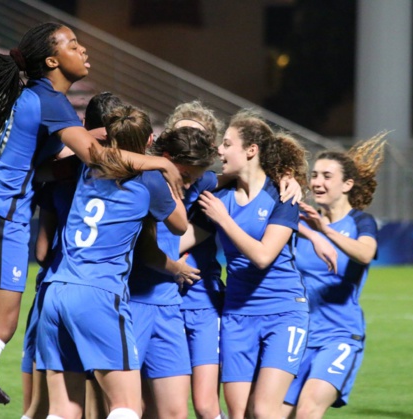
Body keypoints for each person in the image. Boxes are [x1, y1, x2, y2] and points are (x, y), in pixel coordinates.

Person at [0, 22, 183, 419]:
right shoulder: (51, 101)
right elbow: (97, 158)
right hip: (0, 211)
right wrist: (157, 160)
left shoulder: (40, 98)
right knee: (1, 326)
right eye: (73, 44)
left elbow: (48, 164)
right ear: (52, 60)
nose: (83, 49)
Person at [36, 105, 188, 419]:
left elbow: (48, 167)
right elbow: (180, 225)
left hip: (56, 290)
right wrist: (165, 169)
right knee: (127, 406)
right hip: (98, 294)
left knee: (63, 409)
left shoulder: (85, 165)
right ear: (149, 140)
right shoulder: (149, 179)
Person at [194, 109, 310, 419]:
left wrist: (224, 220)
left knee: (263, 410)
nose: (219, 150)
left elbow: (262, 256)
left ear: (251, 150)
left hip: (284, 313)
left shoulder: (282, 195)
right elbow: (185, 238)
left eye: (227, 143)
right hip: (237, 316)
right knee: (239, 413)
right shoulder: (221, 195)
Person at [20, 92, 124, 419]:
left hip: (54, 289)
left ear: (83, 125)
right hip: (102, 295)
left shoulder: (60, 174)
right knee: (110, 404)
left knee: (42, 406)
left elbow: (40, 250)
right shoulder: (130, 178)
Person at [281, 134, 387, 419]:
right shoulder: (300, 221)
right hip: (297, 335)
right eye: (314, 175)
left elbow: (365, 255)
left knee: (307, 411)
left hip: (339, 335)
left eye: (327, 176)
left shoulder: (360, 222)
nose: (317, 182)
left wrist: (324, 231)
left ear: (347, 185)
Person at [127, 125, 218, 419]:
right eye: (188, 176)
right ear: (166, 158)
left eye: (196, 178)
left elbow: (228, 175)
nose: (191, 184)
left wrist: (285, 176)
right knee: (125, 408)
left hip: (168, 306)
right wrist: (178, 268)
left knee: (176, 413)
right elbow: (145, 251)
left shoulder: (181, 181)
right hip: (133, 303)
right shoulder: (147, 182)